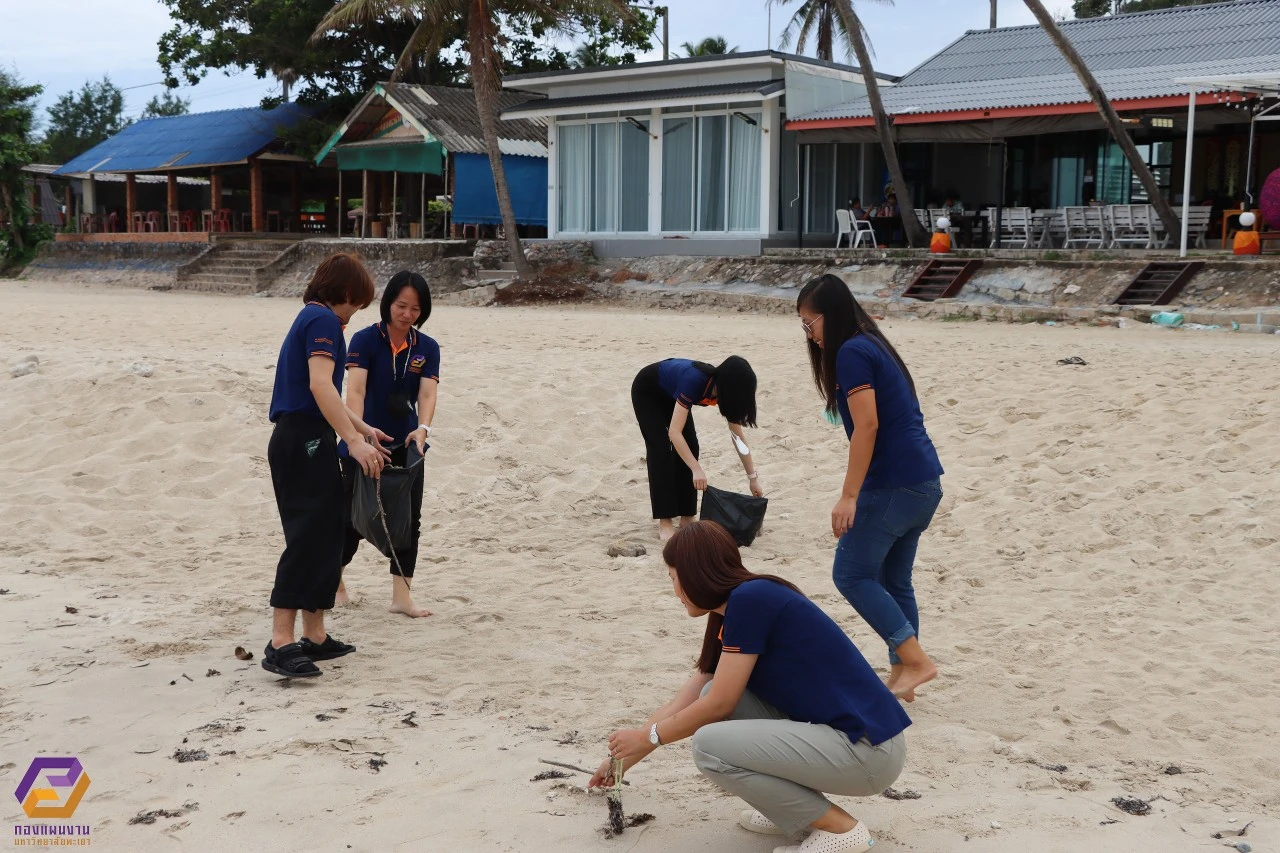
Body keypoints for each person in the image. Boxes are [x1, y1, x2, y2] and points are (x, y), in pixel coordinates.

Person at [589, 521, 909, 853]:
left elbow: (720, 706)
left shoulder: (751, 600)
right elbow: (695, 694)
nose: (675, 591)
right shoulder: (737, 605)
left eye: (673, 578)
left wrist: (648, 736)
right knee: (707, 693)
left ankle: (841, 830)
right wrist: (624, 758)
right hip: (853, 741)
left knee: (708, 744)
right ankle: (788, 809)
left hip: (868, 751)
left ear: (695, 574)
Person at [796, 274, 944, 702]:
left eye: (811, 323)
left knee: (851, 574)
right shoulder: (872, 342)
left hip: (895, 483)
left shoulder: (853, 351)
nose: (809, 334)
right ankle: (903, 675)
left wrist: (848, 495)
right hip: (924, 481)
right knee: (894, 580)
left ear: (833, 315)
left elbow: (867, 426)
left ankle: (916, 661)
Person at [264, 253, 390, 678]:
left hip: (310, 435)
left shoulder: (313, 318)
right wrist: (352, 441)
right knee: (307, 535)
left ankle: (315, 634)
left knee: (328, 533)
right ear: (348, 293)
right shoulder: (321, 322)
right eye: (358, 304)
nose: (355, 315)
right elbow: (320, 387)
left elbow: (329, 396)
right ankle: (281, 639)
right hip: (303, 439)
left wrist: (364, 427)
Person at [336, 270, 440, 618]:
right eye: (401, 305)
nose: (407, 314)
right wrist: (362, 438)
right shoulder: (364, 341)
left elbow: (427, 393)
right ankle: (335, 584)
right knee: (352, 517)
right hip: (362, 442)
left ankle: (401, 597)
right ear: (388, 303)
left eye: (415, 308)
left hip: (407, 444)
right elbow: (356, 391)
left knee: (410, 519)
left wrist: (423, 429)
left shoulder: (427, 347)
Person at [631, 357, 763, 541]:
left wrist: (752, 479)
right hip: (648, 390)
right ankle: (665, 522)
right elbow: (675, 433)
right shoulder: (694, 381)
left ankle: (687, 516)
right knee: (660, 449)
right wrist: (696, 469)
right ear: (730, 387)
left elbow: (737, 437)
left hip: (673, 394)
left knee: (691, 445)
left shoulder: (725, 393)